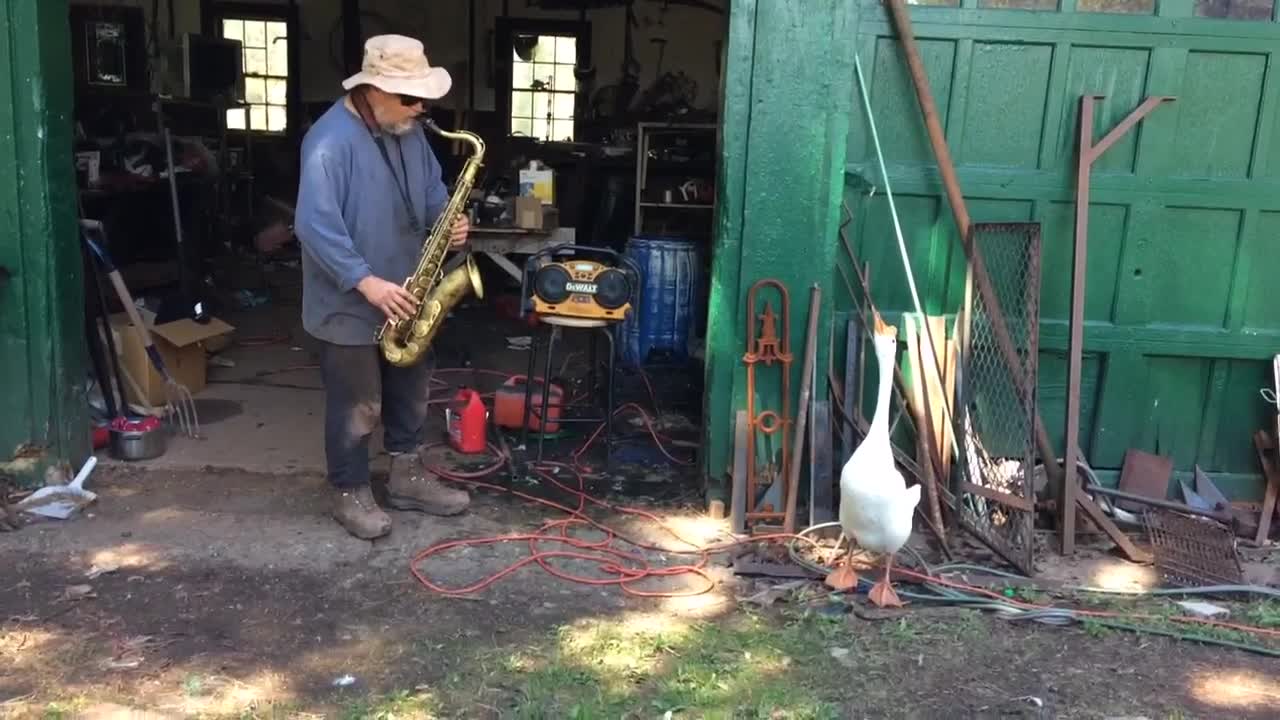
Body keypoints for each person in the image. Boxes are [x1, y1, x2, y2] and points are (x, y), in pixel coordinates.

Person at [293, 34, 471, 539]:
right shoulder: (328, 142)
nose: (420, 108)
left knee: (411, 389)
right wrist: (366, 283)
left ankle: (406, 476)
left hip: (409, 293)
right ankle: (349, 492)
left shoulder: (408, 130)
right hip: (350, 301)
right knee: (357, 402)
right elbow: (314, 226)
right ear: (373, 89)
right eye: (409, 97)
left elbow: (436, 194)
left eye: (423, 98)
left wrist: (453, 223)